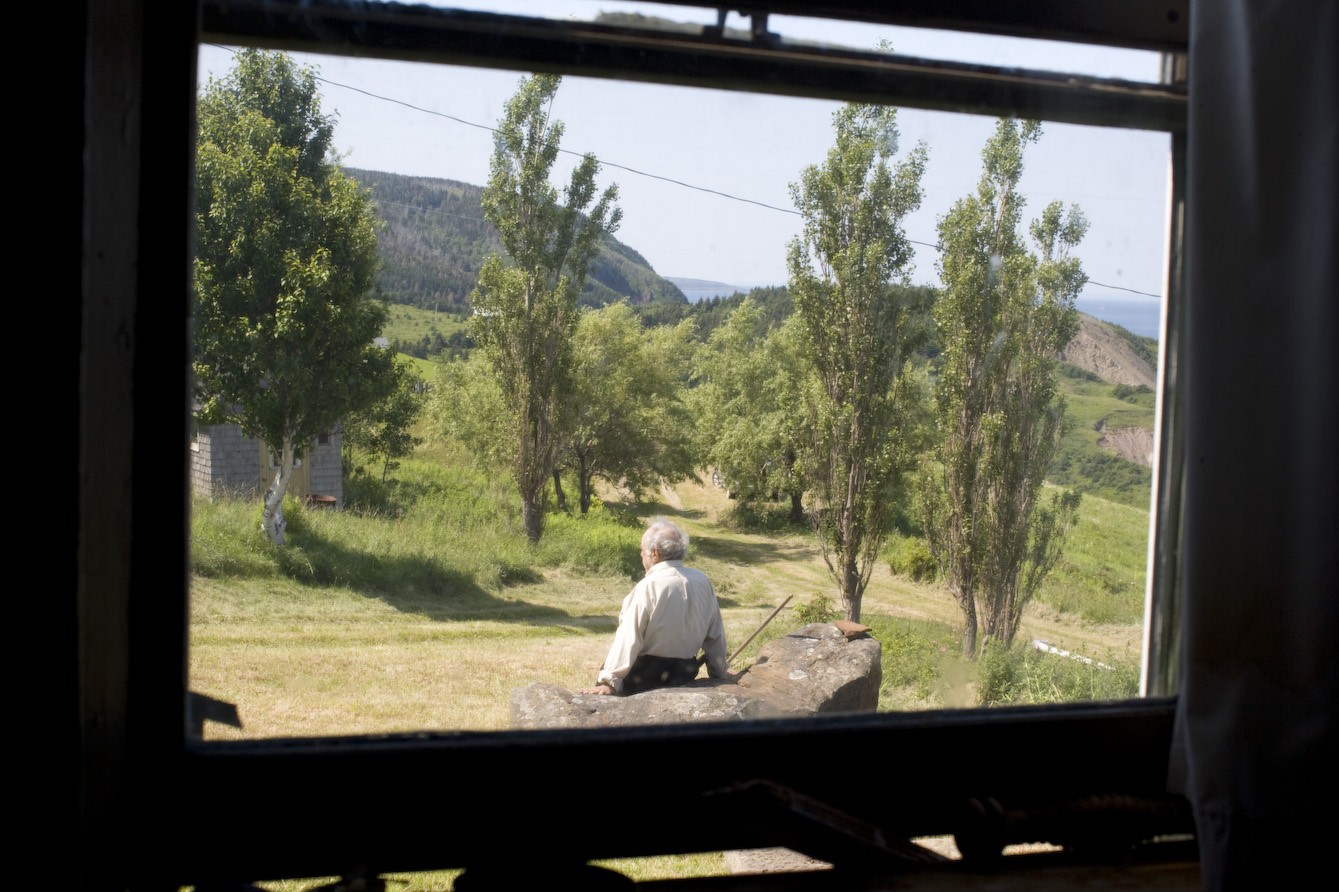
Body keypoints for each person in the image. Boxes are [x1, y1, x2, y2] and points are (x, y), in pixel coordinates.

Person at [580, 519, 730, 695]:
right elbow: (715, 635)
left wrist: (609, 682)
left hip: (643, 678)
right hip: (684, 675)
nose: (640, 554)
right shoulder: (702, 581)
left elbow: (629, 638)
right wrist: (719, 672)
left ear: (654, 554)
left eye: (642, 549)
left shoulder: (649, 585)